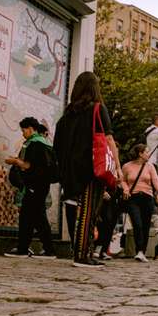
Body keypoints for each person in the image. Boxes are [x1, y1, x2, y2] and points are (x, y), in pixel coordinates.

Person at [53, 72, 122, 268]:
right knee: (89, 212)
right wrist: (117, 167)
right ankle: (83, 254)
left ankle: (80, 251)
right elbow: (108, 140)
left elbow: (58, 144)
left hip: (71, 169)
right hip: (92, 167)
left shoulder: (67, 115)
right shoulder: (98, 109)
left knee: (79, 210)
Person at [4, 117, 57, 259]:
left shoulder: (34, 144)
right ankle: (25, 248)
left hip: (34, 184)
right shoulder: (44, 143)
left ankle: (46, 250)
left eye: (23, 130)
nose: (23, 133)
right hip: (41, 185)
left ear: (30, 129)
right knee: (30, 217)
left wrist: (15, 161)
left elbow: (28, 166)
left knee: (36, 218)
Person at [122, 144, 158, 262]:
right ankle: (139, 249)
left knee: (145, 225)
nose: (148, 154)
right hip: (133, 198)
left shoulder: (150, 167)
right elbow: (122, 180)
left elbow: (155, 181)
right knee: (137, 223)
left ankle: (141, 251)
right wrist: (125, 188)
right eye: (146, 152)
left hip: (147, 198)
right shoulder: (127, 166)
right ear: (140, 154)